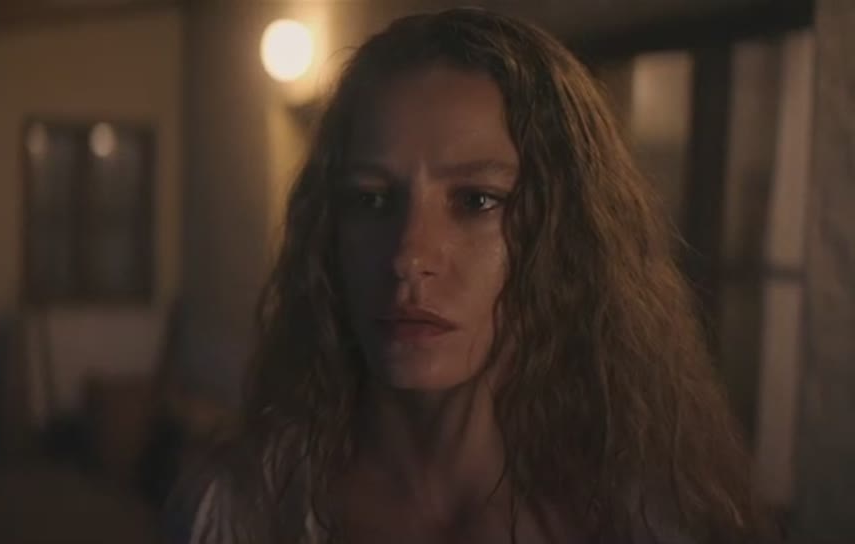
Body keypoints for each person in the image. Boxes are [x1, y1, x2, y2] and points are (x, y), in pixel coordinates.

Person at [169, 8, 775, 544]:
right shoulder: (248, 511)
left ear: (564, 238)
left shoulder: (644, 522)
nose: (408, 256)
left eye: (477, 201)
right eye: (371, 200)